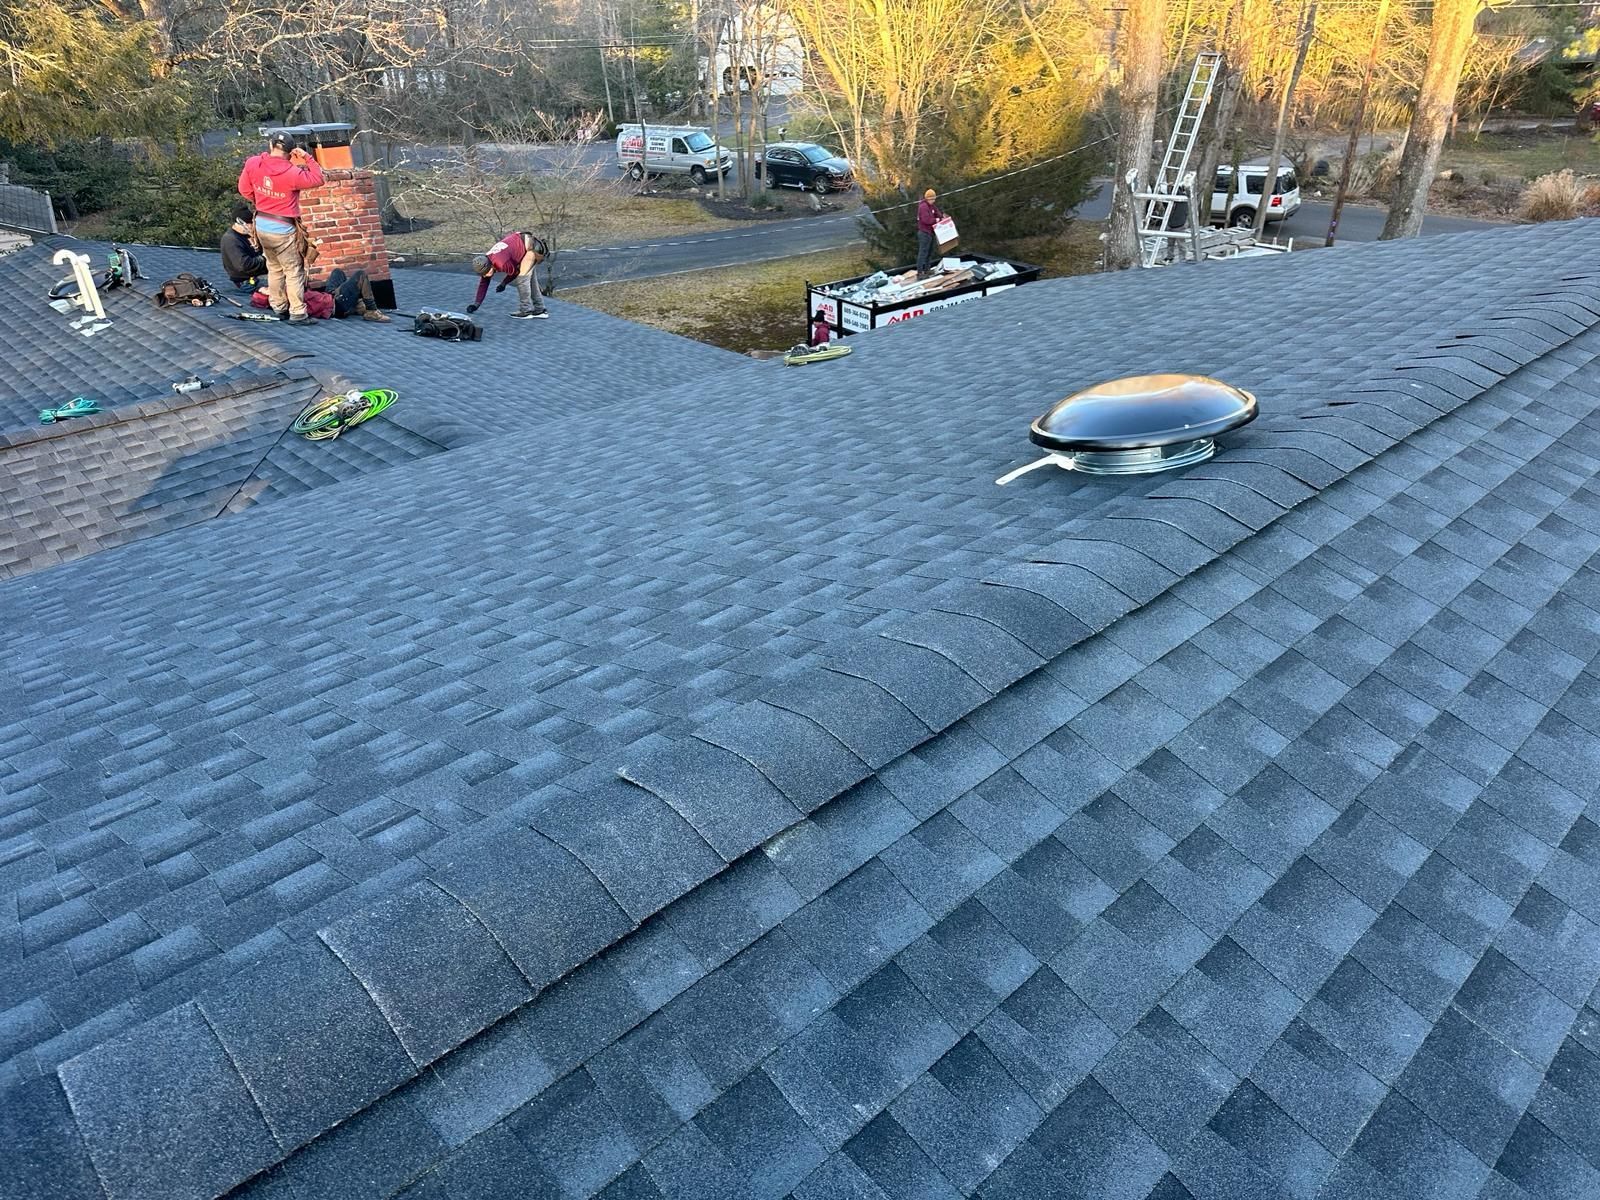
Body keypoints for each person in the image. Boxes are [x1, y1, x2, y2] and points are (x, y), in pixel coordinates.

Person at [238, 131, 324, 325]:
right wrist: (306, 157)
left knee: (274, 268)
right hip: (283, 228)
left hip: (261, 225)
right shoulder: (293, 173)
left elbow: (244, 189)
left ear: (271, 145)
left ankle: (278, 307)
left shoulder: (253, 163)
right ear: (291, 151)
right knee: (293, 270)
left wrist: (261, 201)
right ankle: (298, 313)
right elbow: (318, 178)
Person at [249, 267, 390, 322]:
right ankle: (371, 310)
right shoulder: (285, 297)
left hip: (328, 296)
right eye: (265, 290)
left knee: (337, 272)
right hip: (336, 306)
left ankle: (356, 304)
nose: (268, 288)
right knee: (360, 275)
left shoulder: (283, 291)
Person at [466, 231, 548, 319]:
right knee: (531, 280)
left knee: (522, 279)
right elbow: (483, 284)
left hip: (531, 247)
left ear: (489, 267)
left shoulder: (501, 263)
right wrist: (476, 305)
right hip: (524, 244)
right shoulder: (485, 261)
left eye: (485, 273)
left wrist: (504, 283)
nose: (485, 276)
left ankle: (525, 311)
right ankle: (540, 309)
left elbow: (515, 272)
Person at [221, 202, 267, 291]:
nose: (254, 226)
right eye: (251, 223)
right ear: (241, 223)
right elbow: (244, 265)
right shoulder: (231, 240)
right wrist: (264, 258)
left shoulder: (248, 236)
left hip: (258, 275)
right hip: (247, 281)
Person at [916, 187, 945, 279]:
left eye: (934, 199)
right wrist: (937, 219)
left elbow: (937, 213)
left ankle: (927, 270)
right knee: (923, 252)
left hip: (930, 232)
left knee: (929, 252)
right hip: (924, 232)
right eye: (932, 199)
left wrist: (942, 217)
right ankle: (920, 272)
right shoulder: (923, 207)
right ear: (928, 198)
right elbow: (926, 220)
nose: (933, 201)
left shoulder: (931, 206)